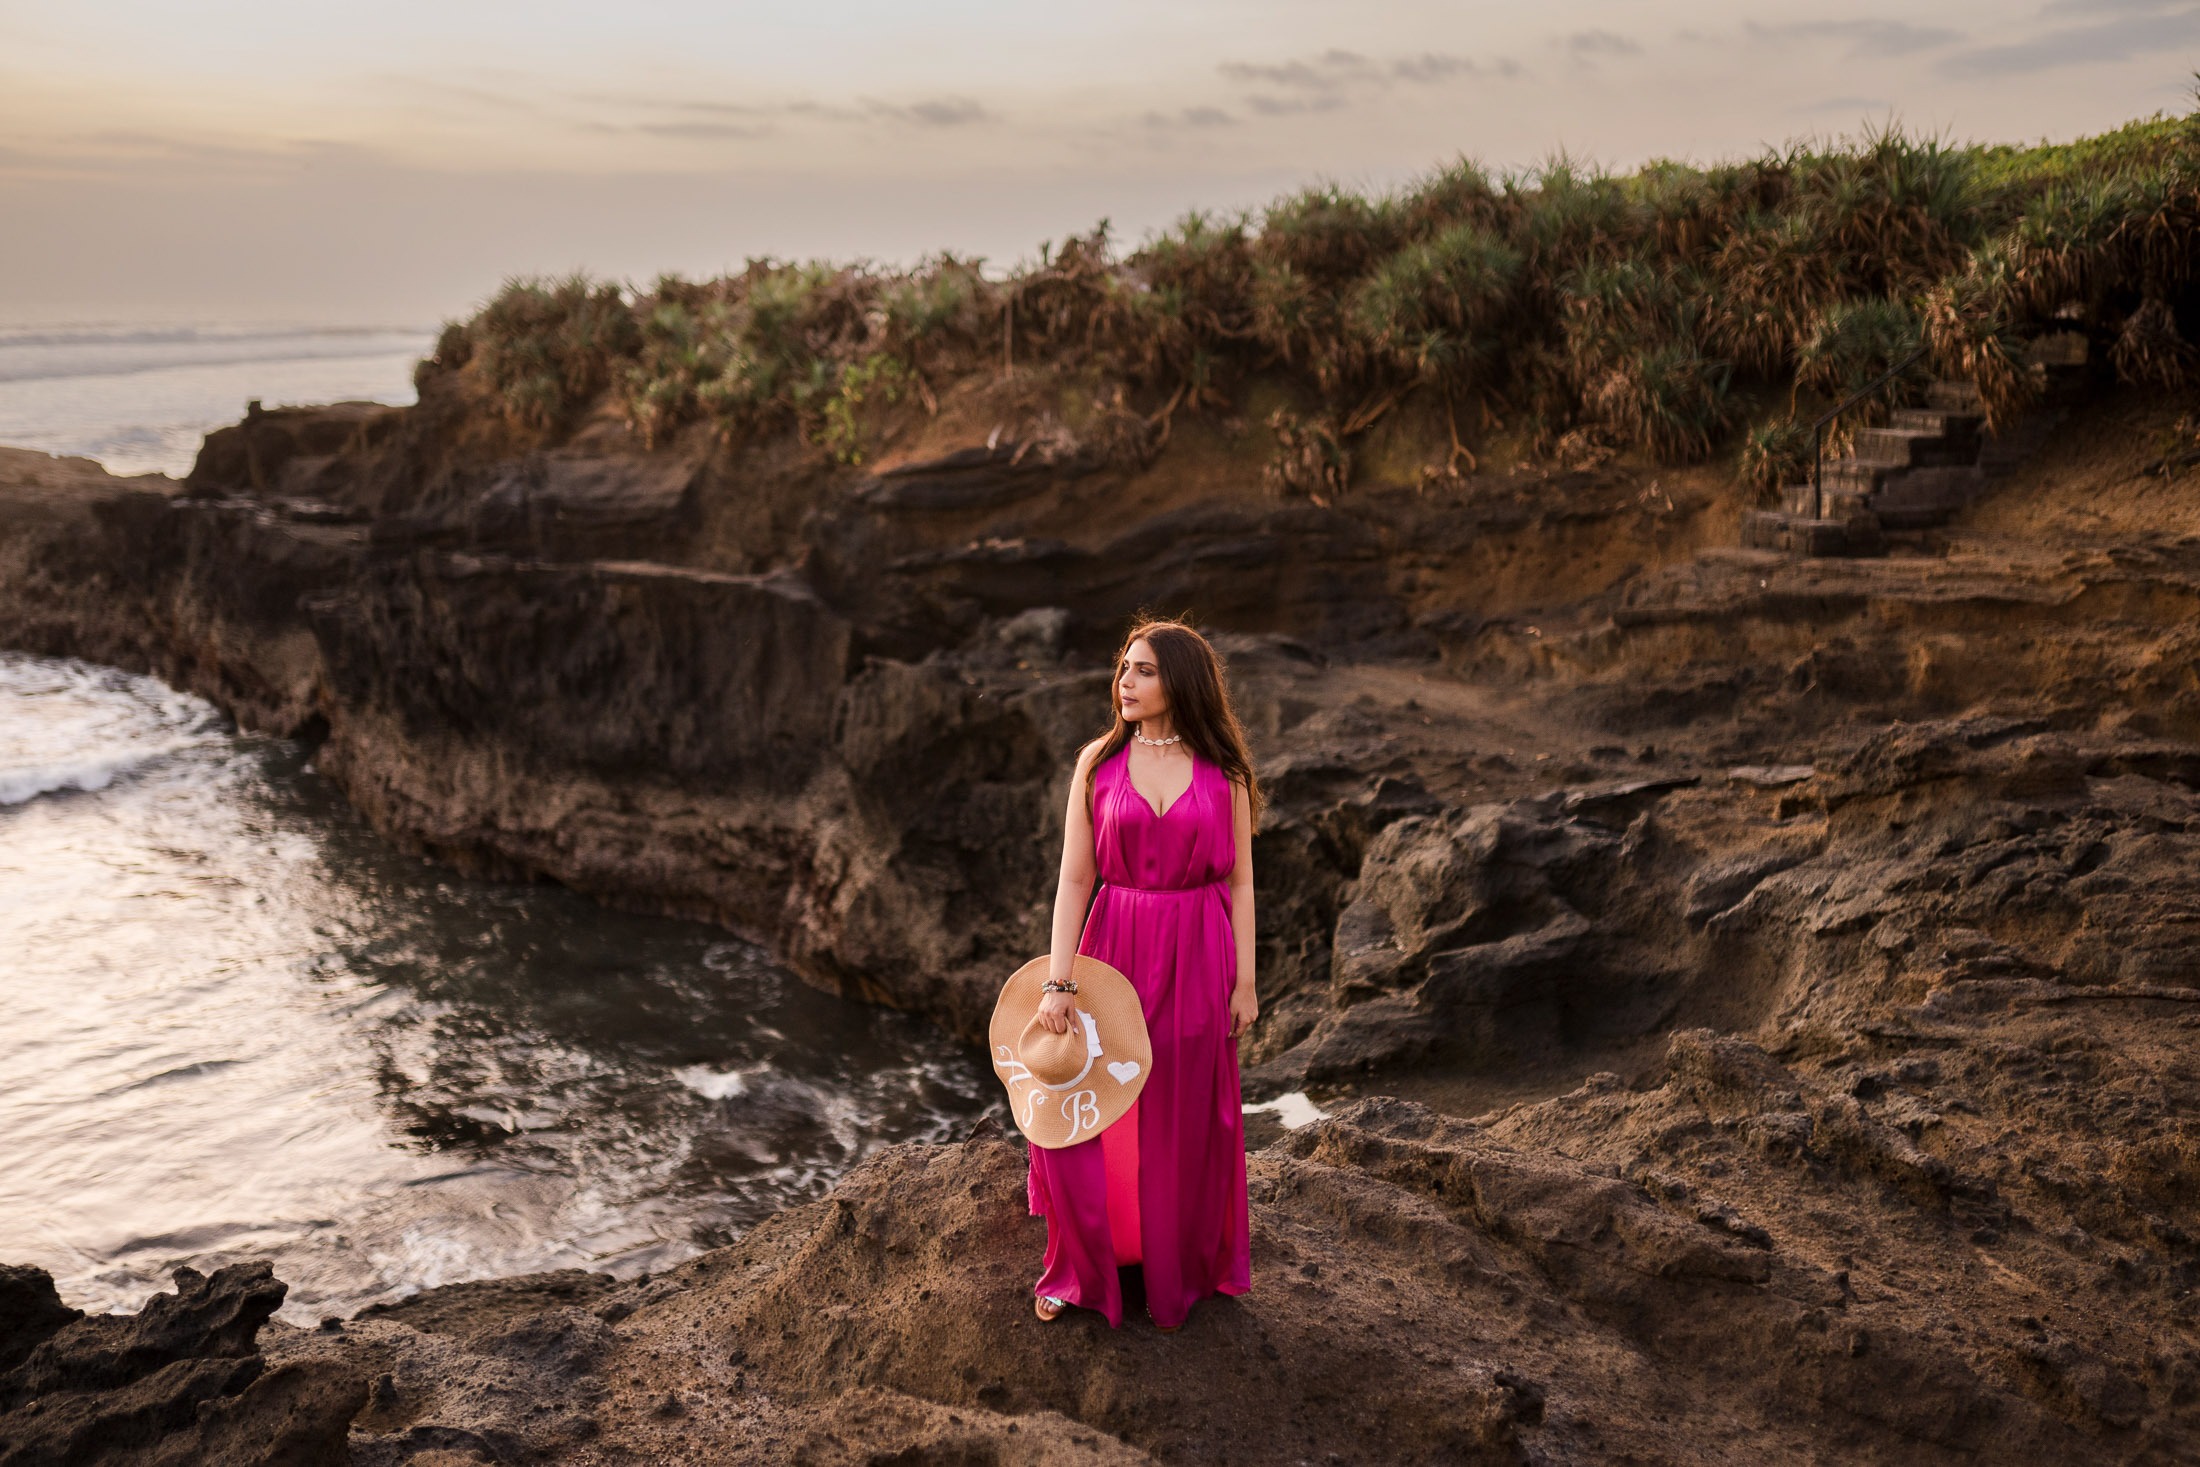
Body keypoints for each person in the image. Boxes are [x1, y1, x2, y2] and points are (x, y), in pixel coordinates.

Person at [1026, 617, 1259, 1330]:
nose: (1124, 682)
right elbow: (1072, 879)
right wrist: (1058, 981)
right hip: (1115, 942)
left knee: (1183, 1112)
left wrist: (1246, 981)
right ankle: (1081, 1267)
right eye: (1124, 668)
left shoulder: (1226, 775)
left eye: (1144, 670)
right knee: (1090, 1108)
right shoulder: (1097, 762)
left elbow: (1244, 883)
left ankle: (1172, 1263)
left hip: (1199, 949)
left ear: (1180, 680)